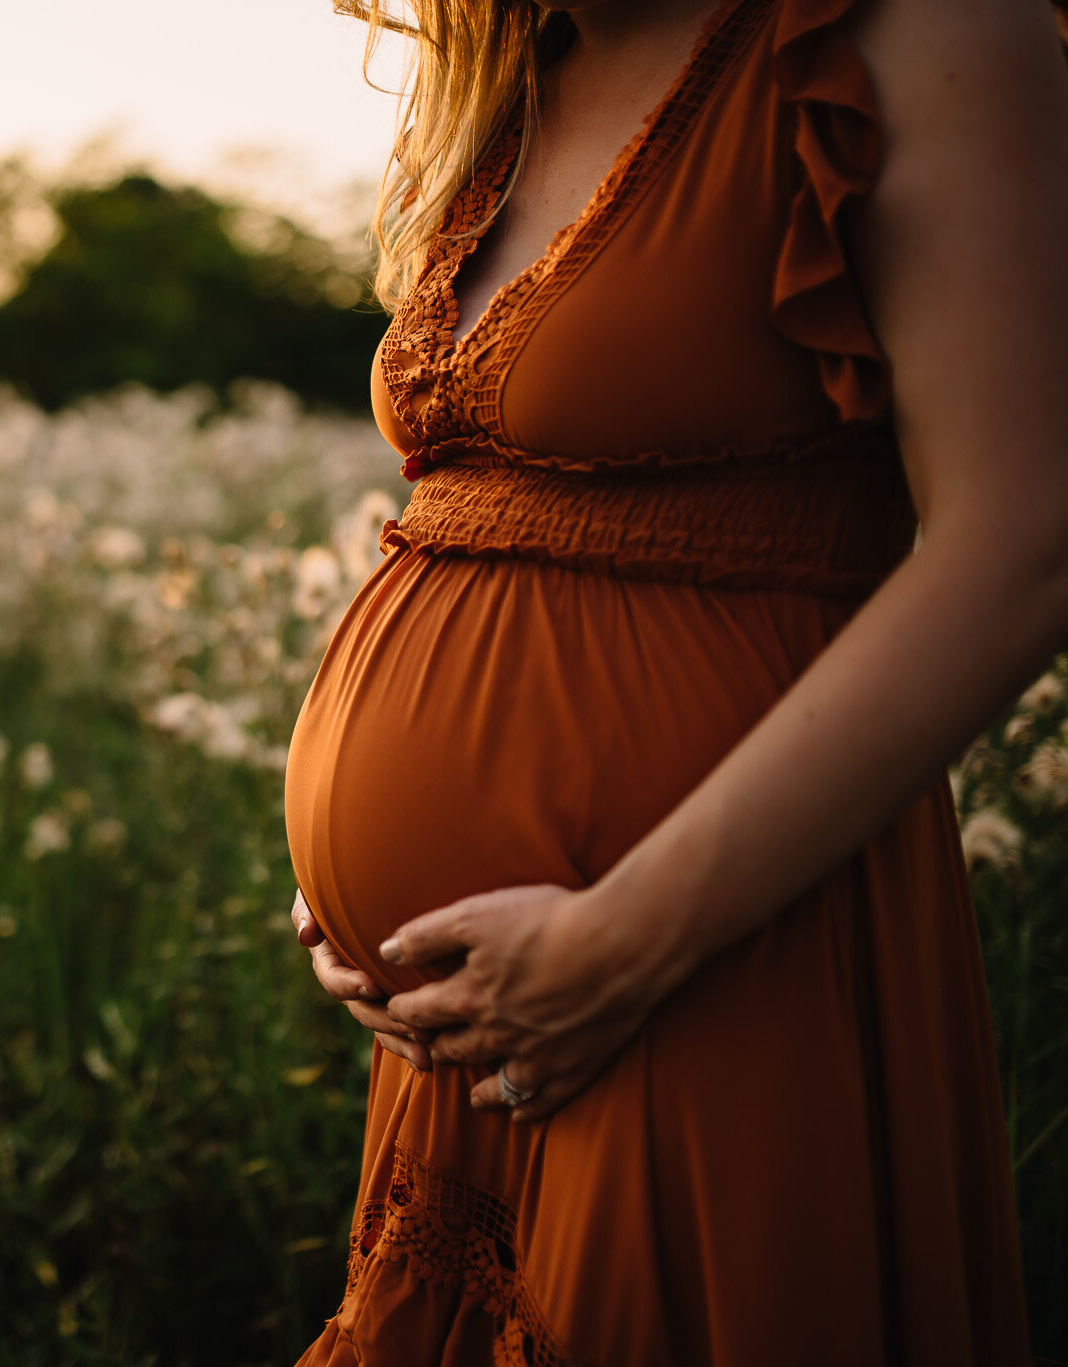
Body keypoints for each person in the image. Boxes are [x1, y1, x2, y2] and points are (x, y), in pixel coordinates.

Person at [281, 0, 1068, 1361]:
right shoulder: (519, 64)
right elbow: (492, 512)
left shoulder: (924, 28)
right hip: (473, 1021)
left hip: (710, 946)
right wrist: (351, 899)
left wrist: (622, 941)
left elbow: (1025, 541)